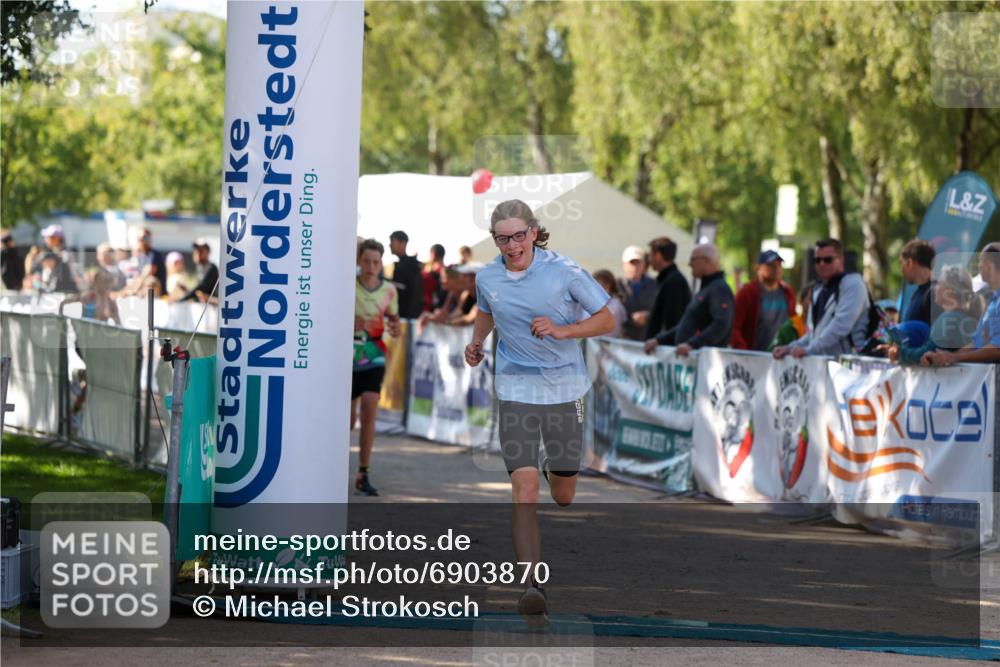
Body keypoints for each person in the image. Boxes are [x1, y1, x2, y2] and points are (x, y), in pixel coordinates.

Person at [465, 199, 614, 625]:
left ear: (533, 232)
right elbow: (486, 310)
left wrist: (563, 329)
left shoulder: (564, 271)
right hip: (515, 387)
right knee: (523, 488)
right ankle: (532, 585)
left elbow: (606, 320)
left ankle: (557, 470)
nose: (510, 245)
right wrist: (476, 343)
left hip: (566, 389)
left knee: (563, 496)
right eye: (501, 238)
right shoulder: (489, 275)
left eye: (517, 236)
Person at [352, 239, 401, 496]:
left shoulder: (390, 291)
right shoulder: (348, 287)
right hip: (346, 357)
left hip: (374, 355)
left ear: (381, 263)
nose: (371, 267)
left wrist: (396, 327)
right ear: (359, 261)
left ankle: (364, 471)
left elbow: (395, 322)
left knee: (370, 409)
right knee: (347, 420)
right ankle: (333, 468)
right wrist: (349, 322)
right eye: (367, 261)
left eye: (376, 262)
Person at [773, 238, 870, 359]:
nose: (821, 264)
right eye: (817, 260)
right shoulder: (818, 289)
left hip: (849, 366)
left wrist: (809, 350)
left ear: (841, 260)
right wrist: (789, 347)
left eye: (827, 260)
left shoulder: (853, 284)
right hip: (821, 366)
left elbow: (840, 326)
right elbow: (815, 334)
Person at [644, 244, 734, 357]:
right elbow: (686, 325)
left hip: (704, 363)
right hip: (691, 362)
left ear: (707, 261)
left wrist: (693, 345)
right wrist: (659, 340)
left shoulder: (718, 289)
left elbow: (721, 325)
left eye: (693, 259)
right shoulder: (707, 289)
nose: (689, 264)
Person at [880, 265, 977, 364]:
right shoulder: (966, 319)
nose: (935, 288)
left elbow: (926, 354)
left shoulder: (949, 319)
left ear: (949, 293)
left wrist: (900, 354)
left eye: (939, 284)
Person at [922, 244, 1000, 366]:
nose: (978, 266)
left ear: (988, 265)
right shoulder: (992, 302)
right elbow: (975, 344)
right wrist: (945, 357)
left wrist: (954, 358)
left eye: (980, 261)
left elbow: (996, 349)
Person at [732, 250, 795, 351]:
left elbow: (794, 322)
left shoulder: (787, 292)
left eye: (779, 265)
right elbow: (734, 326)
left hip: (783, 356)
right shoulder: (747, 293)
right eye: (771, 265)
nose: (776, 268)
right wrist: (743, 350)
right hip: (755, 356)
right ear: (758, 268)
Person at [645, 236, 691, 340]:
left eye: (651, 254)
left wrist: (660, 340)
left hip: (666, 348)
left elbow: (672, 319)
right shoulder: (667, 279)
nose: (649, 259)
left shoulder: (673, 281)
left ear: (658, 255)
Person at [616, 245, 657, 341]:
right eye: (632, 263)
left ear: (644, 265)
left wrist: (647, 316)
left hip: (648, 341)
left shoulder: (655, 285)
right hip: (622, 342)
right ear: (624, 265)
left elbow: (663, 309)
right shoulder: (616, 285)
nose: (635, 266)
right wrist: (631, 318)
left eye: (638, 262)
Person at [388, 230, 424, 319]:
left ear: (402, 243)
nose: (390, 245)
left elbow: (411, 294)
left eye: (392, 241)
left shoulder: (409, 266)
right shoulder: (404, 265)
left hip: (406, 317)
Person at [899, 239, 936, 326]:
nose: (902, 270)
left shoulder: (934, 294)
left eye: (901, 263)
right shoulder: (918, 294)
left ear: (910, 263)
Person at [178, 238, 220, 303]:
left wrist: (182, 300)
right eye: (196, 250)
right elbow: (199, 291)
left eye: (200, 251)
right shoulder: (199, 267)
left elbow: (202, 288)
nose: (197, 253)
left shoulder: (212, 268)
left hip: (212, 307)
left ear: (207, 252)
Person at [592, 269, 628, 338]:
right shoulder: (588, 301)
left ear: (609, 286)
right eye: (594, 283)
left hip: (606, 343)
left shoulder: (616, 305)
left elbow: (611, 330)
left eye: (601, 284)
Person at [423, 243, 446, 312]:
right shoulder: (446, 271)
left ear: (433, 254)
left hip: (431, 307)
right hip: (443, 307)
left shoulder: (432, 272)